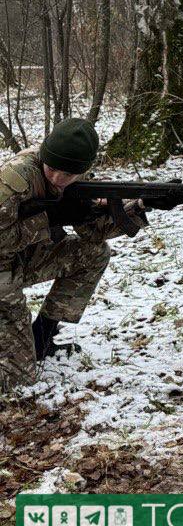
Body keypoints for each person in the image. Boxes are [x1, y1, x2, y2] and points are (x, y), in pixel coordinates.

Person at [1, 119, 147, 391]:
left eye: (68, 174)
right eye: (52, 169)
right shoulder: (16, 178)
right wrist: (49, 218)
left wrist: (138, 207)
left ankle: (42, 338)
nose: (58, 179)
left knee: (92, 254)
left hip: (18, 260)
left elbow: (94, 233)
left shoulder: (78, 179)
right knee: (16, 381)